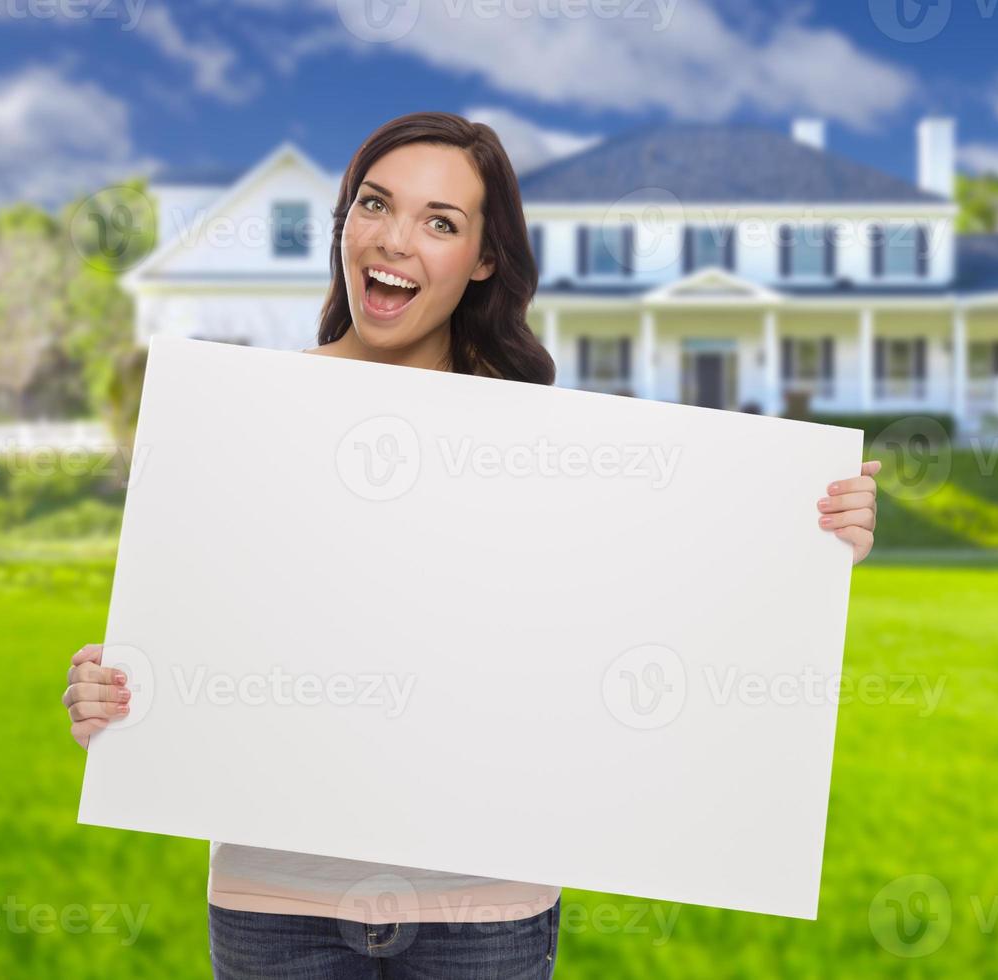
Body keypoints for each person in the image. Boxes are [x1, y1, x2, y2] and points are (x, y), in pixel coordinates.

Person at [61, 112, 881, 978]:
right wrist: (116, 699)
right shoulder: (238, 420)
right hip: (278, 906)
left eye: (440, 222)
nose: (397, 239)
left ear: (485, 258)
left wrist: (811, 538)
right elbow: (195, 632)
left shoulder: (548, 441)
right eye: (375, 205)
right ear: (346, 222)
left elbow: (667, 601)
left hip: (482, 914)